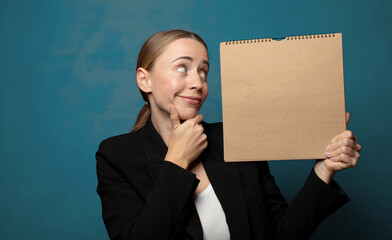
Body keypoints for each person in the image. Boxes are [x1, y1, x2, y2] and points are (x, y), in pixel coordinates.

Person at [96, 30, 361, 240]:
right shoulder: (116, 156)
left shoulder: (235, 137)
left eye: (203, 71)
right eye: (182, 68)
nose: (198, 82)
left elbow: (281, 232)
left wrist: (325, 170)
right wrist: (176, 161)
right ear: (145, 80)